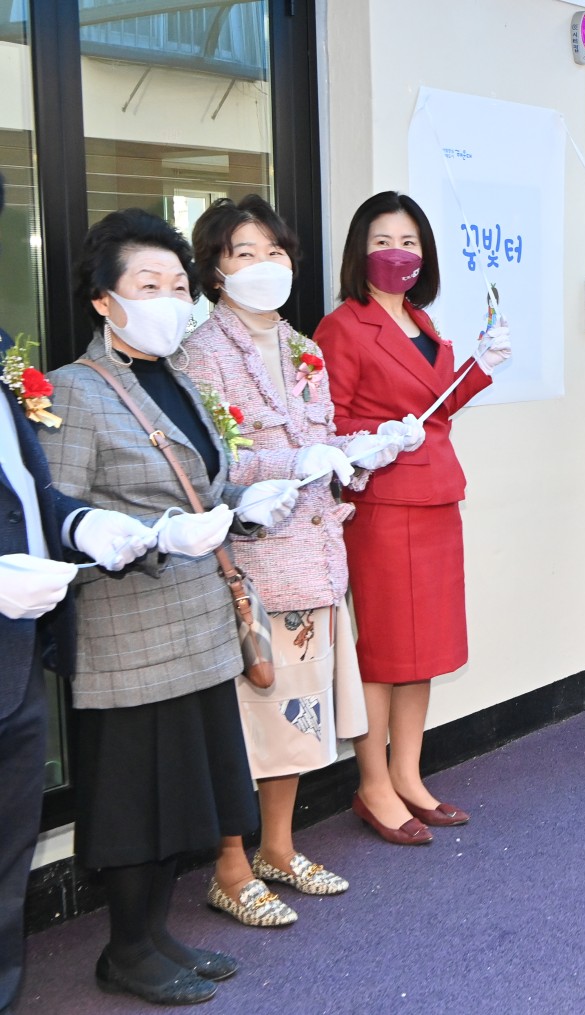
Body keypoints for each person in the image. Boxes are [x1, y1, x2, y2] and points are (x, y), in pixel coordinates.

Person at [39, 208, 302, 1004]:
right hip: (128, 635)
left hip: (196, 626)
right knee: (135, 800)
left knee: (185, 791)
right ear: (103, 300)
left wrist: (245, 505)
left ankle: (155, 934)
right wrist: (156, 536)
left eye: (179, 285)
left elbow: (202, 487)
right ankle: (125, 948)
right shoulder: (76, 389)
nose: (169, 299)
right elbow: (63, 518)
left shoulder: (177, 375)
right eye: (147, 284)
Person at [183, 196, 400, 922]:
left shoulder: (303, 347)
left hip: (313, 559)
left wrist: (362, 450)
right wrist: (290, 461)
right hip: (248, 568)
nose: (264, 264)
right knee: (247, 720)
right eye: (244, 252)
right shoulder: (198, 354)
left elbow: (323, 439)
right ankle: (230, 864)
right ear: (215, 268)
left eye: (274, 251)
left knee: (299, 714)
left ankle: (278, 846)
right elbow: (207, 463)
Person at [0, 187, 162, 1014]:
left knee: (8, 855)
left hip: (16, 655)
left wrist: (81, 523)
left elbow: (32, 490)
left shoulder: (1, 357)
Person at [314, 191, 511, 845]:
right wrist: (372, 439)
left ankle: (408, 774)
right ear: (359, 251)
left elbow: (435, 410)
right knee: (383, 651)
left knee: (422, 649)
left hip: (435, 499)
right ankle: (373, 784)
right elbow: (328, 422)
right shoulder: (343, 327)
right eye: (382, 242)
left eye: (408, 243)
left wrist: (479, 368)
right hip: (382, 504)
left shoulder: (424, 323)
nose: (396, 254)